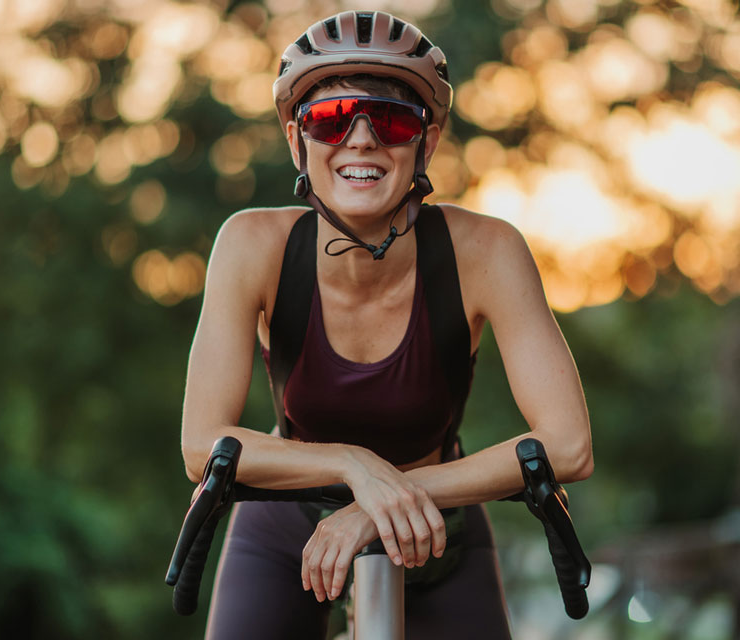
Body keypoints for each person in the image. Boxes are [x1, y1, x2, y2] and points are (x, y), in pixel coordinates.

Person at [180, 10, 592, 639]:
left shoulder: (487, 251)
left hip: (440, 532)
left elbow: (568, 446)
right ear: (298, 141)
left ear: (425, 144)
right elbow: (199, 444)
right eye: (330, 119)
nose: (363, 140)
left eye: (393, 120)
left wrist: (382, 503)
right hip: (284, 526)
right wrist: (356, 468)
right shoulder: (250, 245)